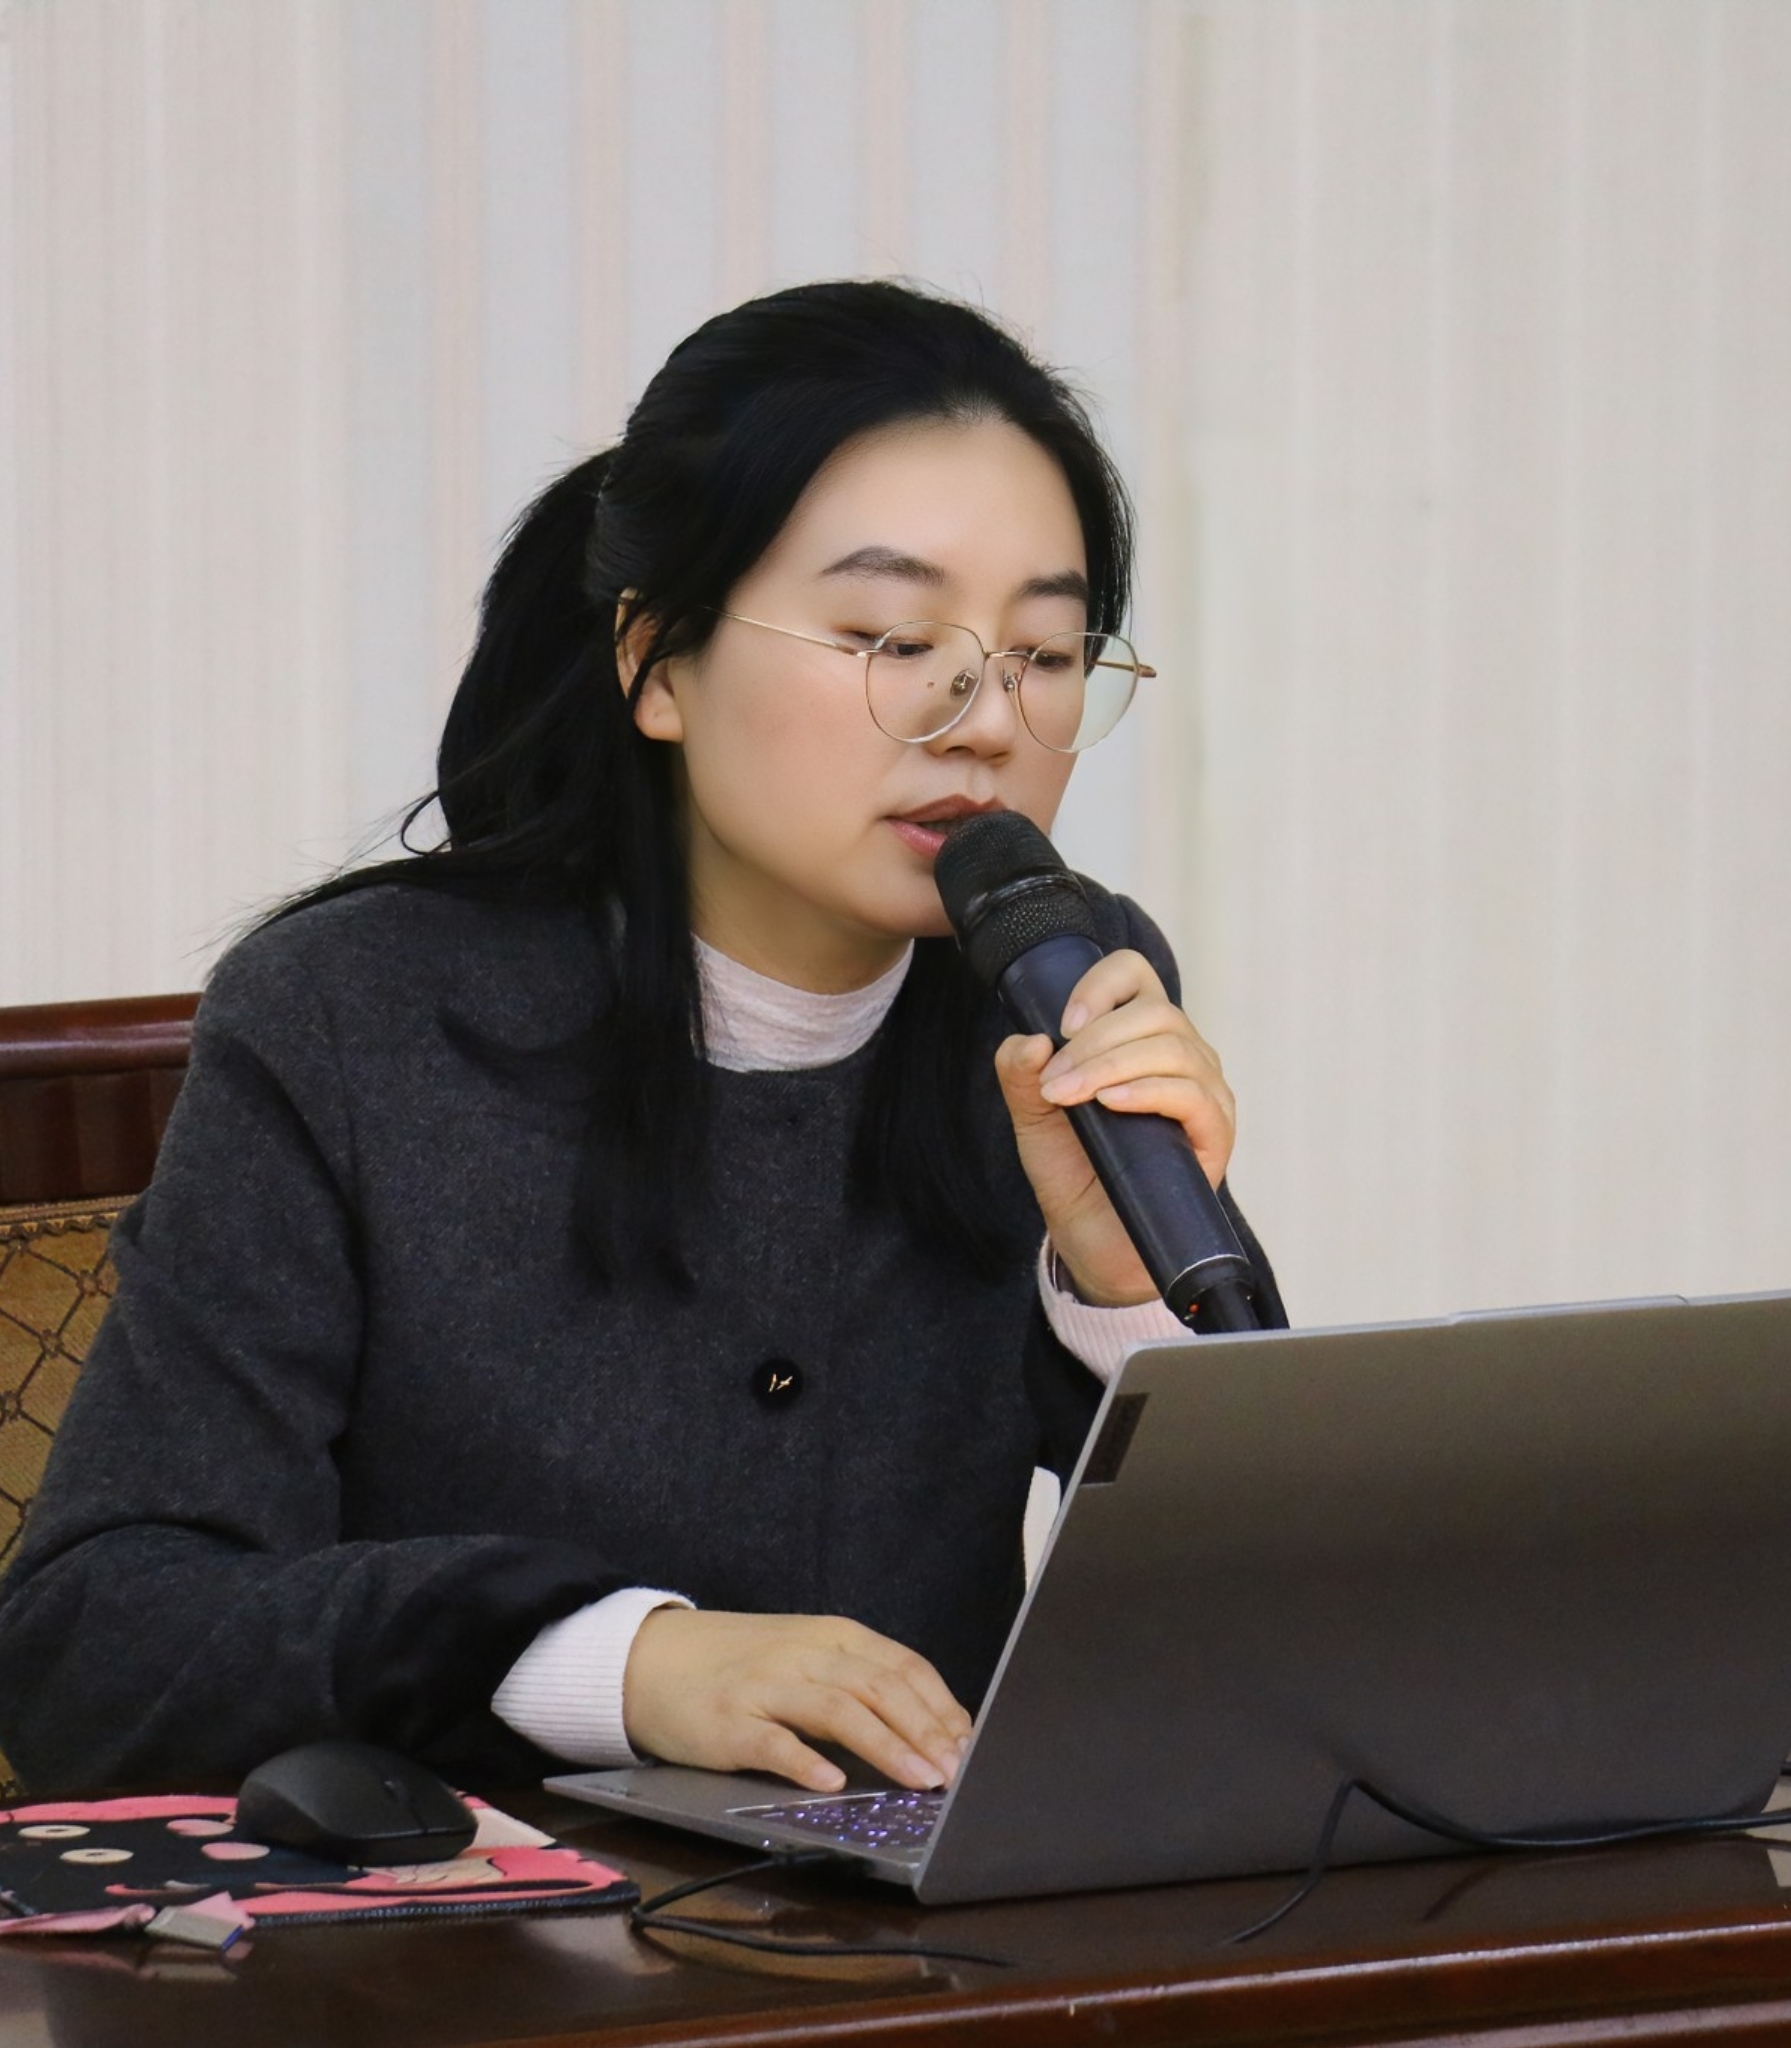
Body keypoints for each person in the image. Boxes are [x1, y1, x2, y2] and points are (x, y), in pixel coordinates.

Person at [0, 280, 1273, 1800]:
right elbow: (98, 1641)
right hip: (484, 1920)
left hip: (924, 1921)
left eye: (1045, 656)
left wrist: (1122, 1298)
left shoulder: (1062, 987)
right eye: (888, 635)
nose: (982, 718)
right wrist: (617, 1663)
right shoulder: (352, 1020)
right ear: (659, 664)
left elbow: (1283, 1655)